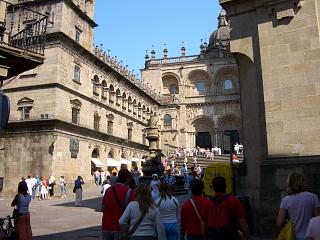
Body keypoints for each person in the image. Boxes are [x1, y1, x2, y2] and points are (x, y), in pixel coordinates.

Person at [277, 172, 320, 240]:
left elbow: (279, 222)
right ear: (303, 182)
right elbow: (317, 219)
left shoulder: (285, 200)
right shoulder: (313, 197)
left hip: (293, 236)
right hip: (310, 236)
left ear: (289, 183)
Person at [102, 169, 135, 240]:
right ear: (127, 178)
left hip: (106, 226)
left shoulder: (108, 190)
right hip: (120, 228)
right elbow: (133, 211)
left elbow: (103, 208)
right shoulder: (129, 192)